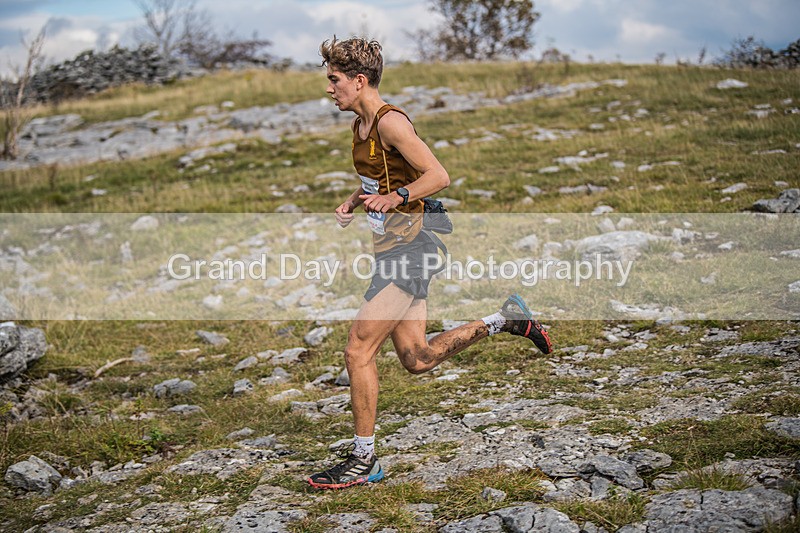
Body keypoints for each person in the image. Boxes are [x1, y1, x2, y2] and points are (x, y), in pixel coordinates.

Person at [307, 36, 552, 490]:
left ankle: (364, 461)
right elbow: (380, 180)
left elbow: (438, 175)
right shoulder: (359, 126)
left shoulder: (390, 122)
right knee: (417, 359)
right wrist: (355, 200)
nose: (329, 89)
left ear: (359, 81)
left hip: (413, 249)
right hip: (392, 250)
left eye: (334, 80)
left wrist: (395, 197)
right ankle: (507, 320)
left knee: (358, 349)